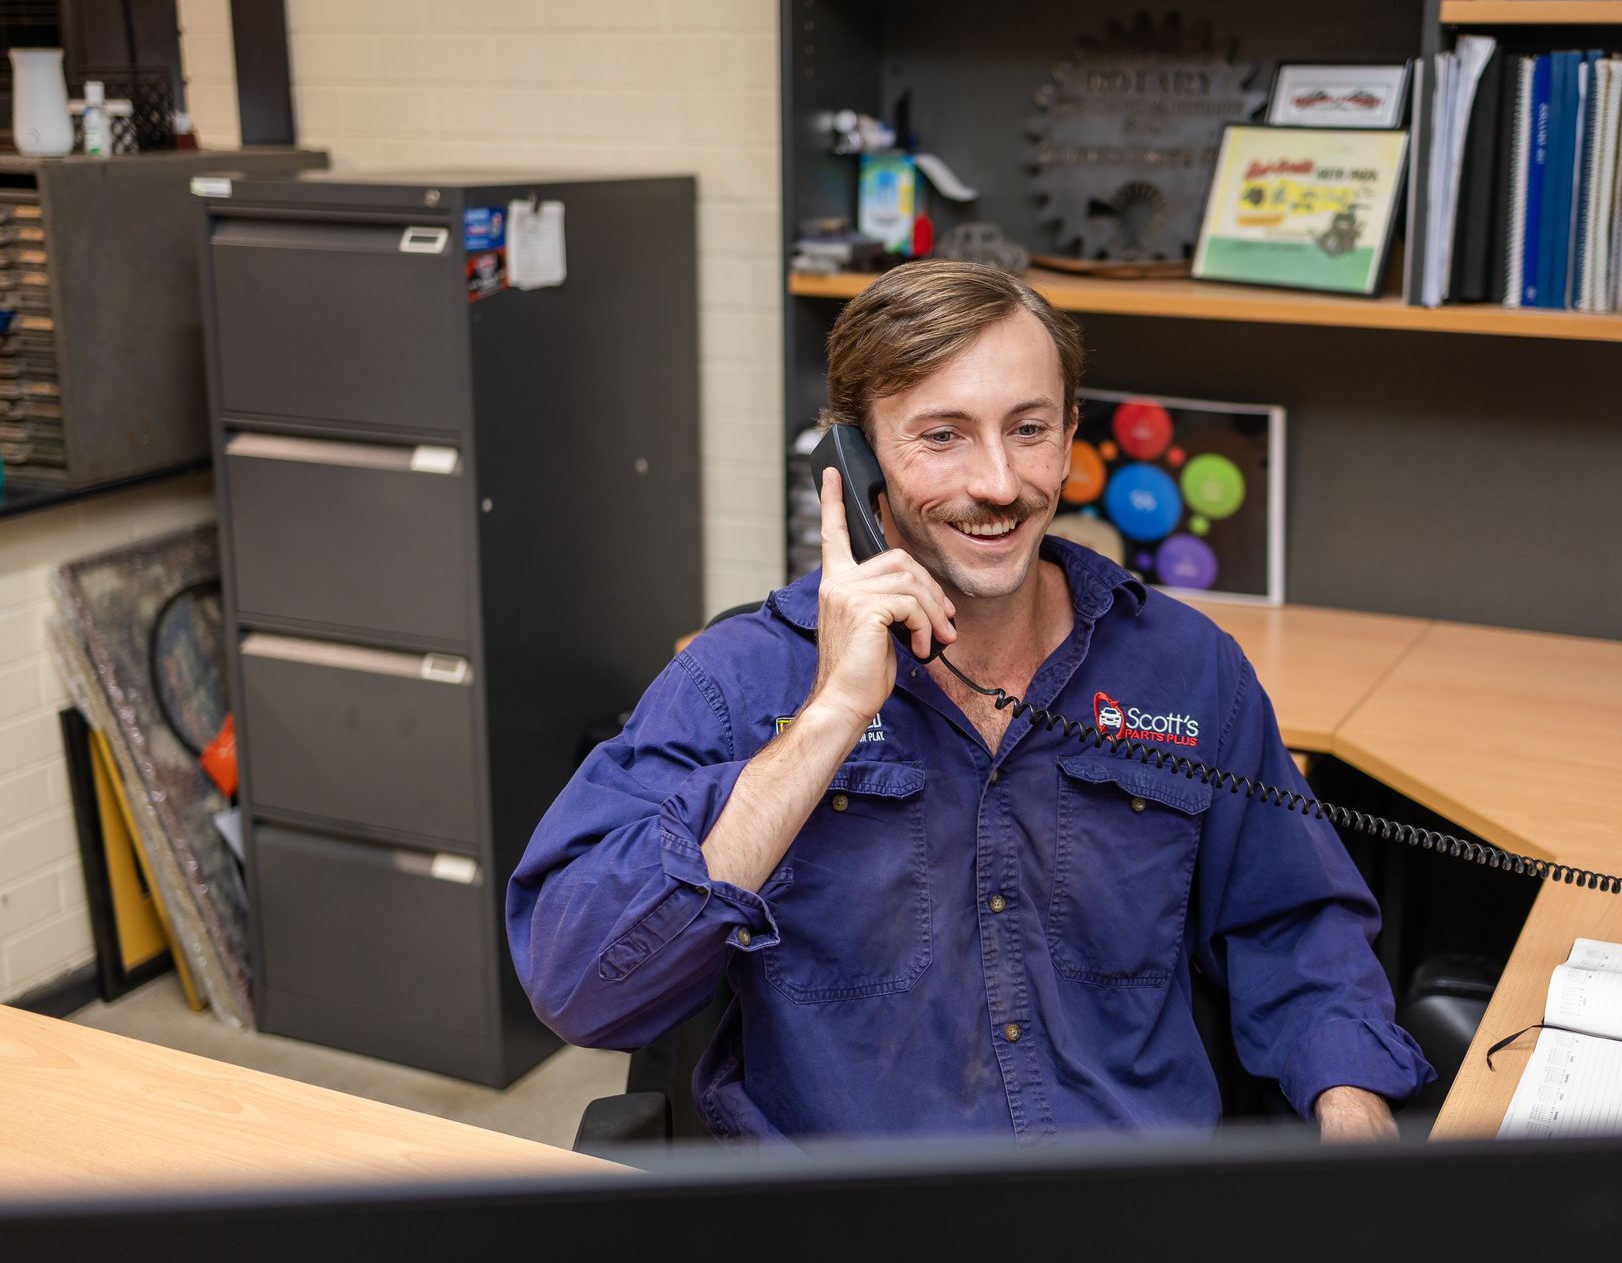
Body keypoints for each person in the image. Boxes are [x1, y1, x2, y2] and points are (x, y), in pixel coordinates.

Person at [506, 260, 1433, 1143]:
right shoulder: (736, 683)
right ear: (853, 465)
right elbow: (584, 986)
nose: (998, 484)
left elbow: (1291, 920)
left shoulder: (1187, 670)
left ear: (1072, 435)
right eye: (942, 436)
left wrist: (1351, 1106)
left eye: (1029, 429)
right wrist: (829, 718)